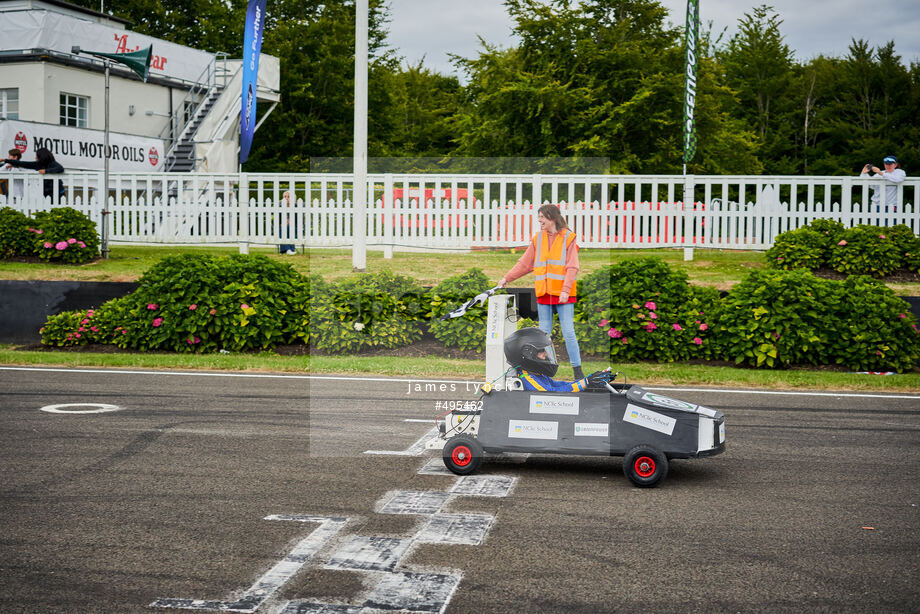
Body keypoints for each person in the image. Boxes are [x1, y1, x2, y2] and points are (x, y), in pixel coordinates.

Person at [498, 204, 584, 380]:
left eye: (542, 217)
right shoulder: (538, 238)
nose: (539, 220)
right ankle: (543, 372)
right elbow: (525, 263)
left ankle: (578, 371)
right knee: (542, 334)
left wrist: (566, 290)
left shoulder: (569, 238)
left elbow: (572, 266)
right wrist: (507, 278)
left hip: (563, 294)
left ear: (552, 218)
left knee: (568, 332)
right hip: (544, 292)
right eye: (539, 217)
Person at [504, 327, 610, 392]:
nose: (546, 354)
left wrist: (587, 379)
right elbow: (552, 392)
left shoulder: (535, 373)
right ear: (527, 354)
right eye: (541, 351)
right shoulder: (526, 377)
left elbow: (557, 385)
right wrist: (585, 383)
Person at [0, 147, 65, 200]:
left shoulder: (52, 163)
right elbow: (22, 163)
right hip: (46, 192)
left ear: (42, 156)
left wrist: (46, 171)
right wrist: (5, 160)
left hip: (58, 191)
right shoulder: (37, 164)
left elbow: (60, 168)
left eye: (37, 156)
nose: (35, 158)